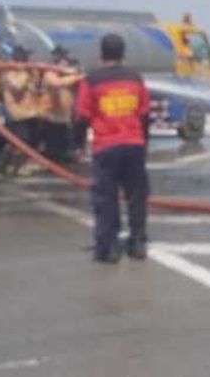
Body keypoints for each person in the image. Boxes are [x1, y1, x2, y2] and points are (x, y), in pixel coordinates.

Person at [76, 33, 151, 263]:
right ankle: (137, 243)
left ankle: (109, 248)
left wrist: (77, 145)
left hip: (106, 147)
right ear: (123, 54)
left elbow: (81, 116)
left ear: (101, 54)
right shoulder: (135, 79)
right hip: (134, 145)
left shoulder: (91, 81)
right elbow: (145, 114)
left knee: (105, 197)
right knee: (137, 196)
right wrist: (143, 142)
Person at [0, 45, 40, 176]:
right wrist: (26, 73)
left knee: (22, 140)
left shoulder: (26, 72)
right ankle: (14, 167)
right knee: (20, 141)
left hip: (27, 111)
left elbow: (33, 88)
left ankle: (6, 164)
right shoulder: (10, 73)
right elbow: (18, 87)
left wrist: (33, 75)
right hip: (16, 113)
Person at [40, 46, 82, 164]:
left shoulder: (68, 75)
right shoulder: (50, 74)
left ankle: (63, 160)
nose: (65, 62)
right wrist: (76, 76)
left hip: (64, 116)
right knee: (53, 146)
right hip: (51, 116)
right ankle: (51, 163)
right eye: (63, 60)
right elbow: (56, 83)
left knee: (63, 145)